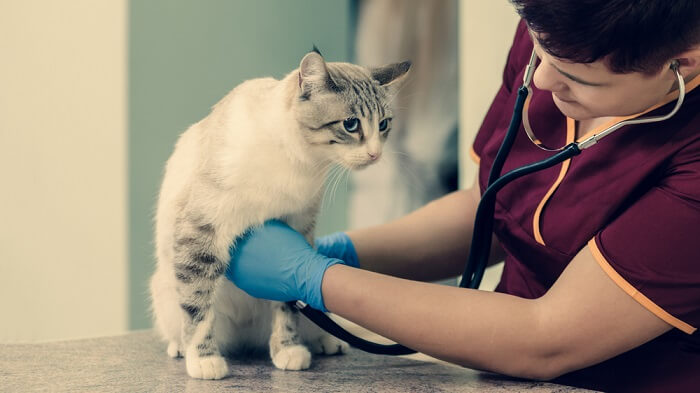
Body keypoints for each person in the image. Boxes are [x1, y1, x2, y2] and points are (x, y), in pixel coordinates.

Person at [226, 1, 700, 391]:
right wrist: (343, 252)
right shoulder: (559, 36)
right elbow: (492, 208)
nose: (540, 81)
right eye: (540, 53)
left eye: (577, 79)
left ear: (681, 64)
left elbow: (547, 337)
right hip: (500, 377)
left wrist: (316, 279)